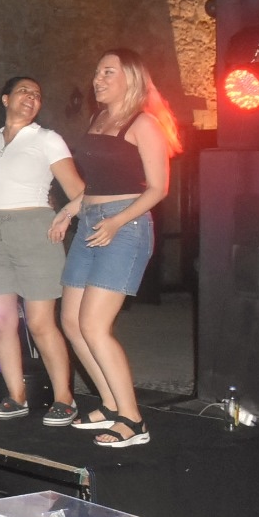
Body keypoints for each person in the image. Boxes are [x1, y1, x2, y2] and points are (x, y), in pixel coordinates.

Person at [53, 49, 181, 447]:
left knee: (94, 325)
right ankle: (109, 404)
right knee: (70, 322)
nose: (98, 78)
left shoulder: (144, 123)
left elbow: (158, 189)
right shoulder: (98, 119)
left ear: (132, 78)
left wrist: (117, 221)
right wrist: (70, 210)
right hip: (91, 222)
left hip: (124, 227)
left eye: (108, 72)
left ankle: (133, 419)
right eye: (97, 72)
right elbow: (97, 184)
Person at [0, 76, 84, 421]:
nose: (31, 97)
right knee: (2, 319)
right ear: (5, 99)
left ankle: (65, 398)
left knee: (39, 323)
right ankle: (16, 396)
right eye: (24, 90)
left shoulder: (47, 139)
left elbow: (80, 191)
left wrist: (65, 215)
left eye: (37, 94)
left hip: (35, 231)